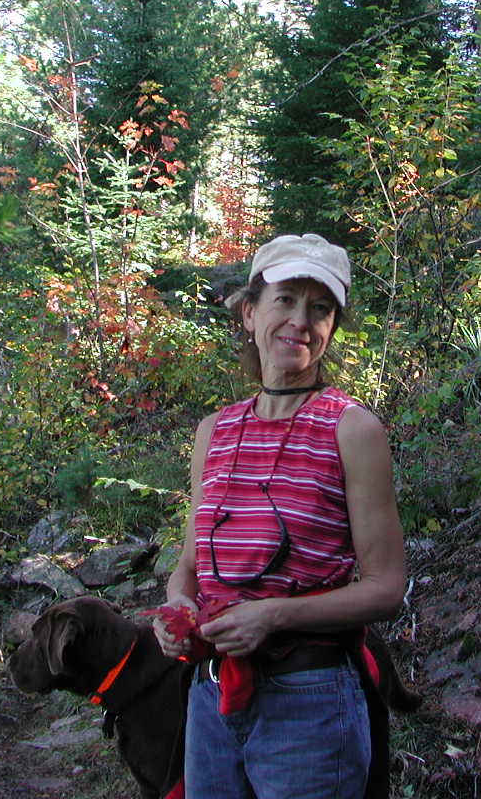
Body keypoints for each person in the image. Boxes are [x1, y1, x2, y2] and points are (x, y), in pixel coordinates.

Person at [152, 233, 407, 799]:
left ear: (332, 328)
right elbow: (190, 568)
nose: (300, 321)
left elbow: (387, 589)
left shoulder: (351, 430)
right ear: (249, 312)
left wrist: (272, 616)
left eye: (320, 308)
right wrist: (177, 609)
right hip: (211, 698)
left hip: (309, 701)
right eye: (285, 299)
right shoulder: (214, 431)